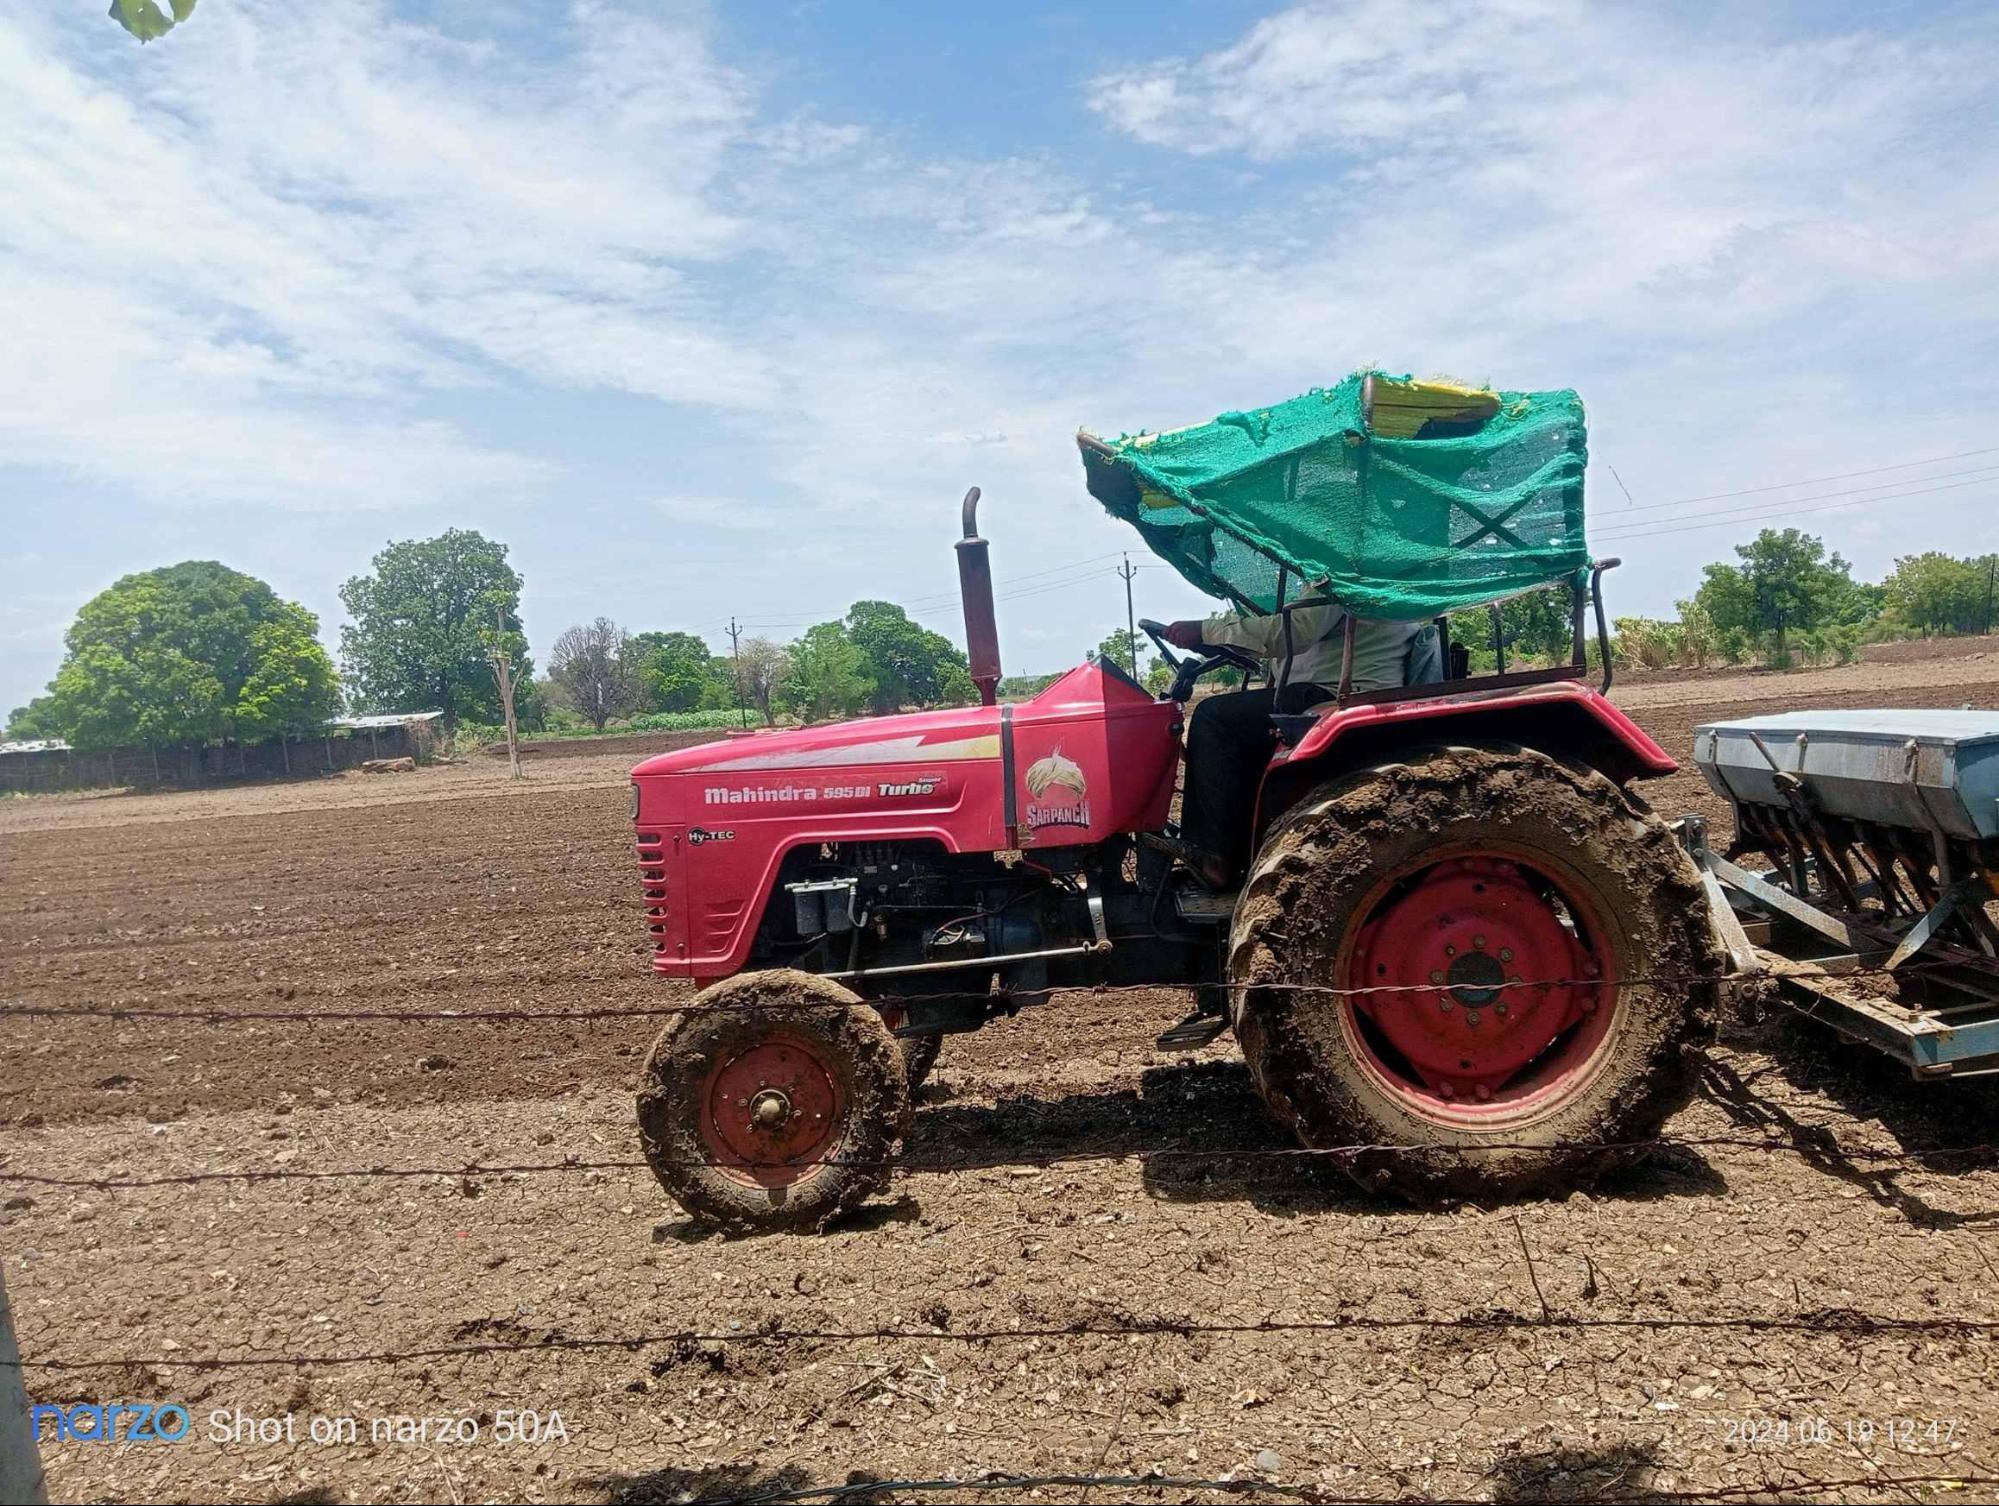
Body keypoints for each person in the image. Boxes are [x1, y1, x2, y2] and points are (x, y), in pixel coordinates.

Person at [1162, 596, 1436, 887]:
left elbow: (1293, 633)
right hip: (1333, 689)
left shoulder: (1338, 571)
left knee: (1213, 717)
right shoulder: (1358, 580)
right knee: (1238, 734)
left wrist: (1205, 630)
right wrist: (1215, 640)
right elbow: (1284, 639)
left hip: (1336, 693)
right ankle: (1240, 853)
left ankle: (1213, 858)